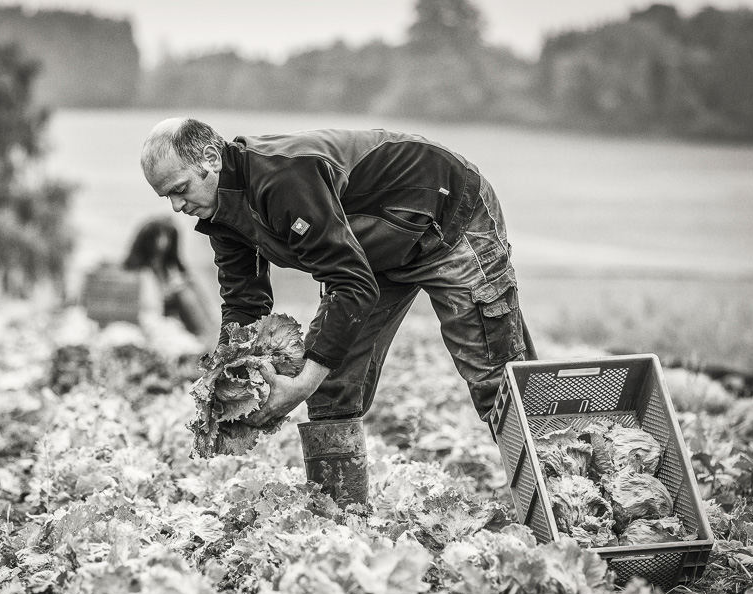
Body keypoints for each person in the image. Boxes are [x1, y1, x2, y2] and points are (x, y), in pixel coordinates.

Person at [140, 117, 537, 505]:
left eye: (180, 189)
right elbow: (245, 302)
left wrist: (297, 386)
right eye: (167, 197)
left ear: (210, 157)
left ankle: (561, 500)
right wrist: (230, 376)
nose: (176, 206)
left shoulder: (282, 179)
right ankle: (339, 519)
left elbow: (351, 285)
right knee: (332, 388)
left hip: (446, 218)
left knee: (495, 374)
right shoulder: (222, 216)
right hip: (371, 255)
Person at [122, 214, 213, 338]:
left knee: (189, 288)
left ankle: (208, 329)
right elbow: (149, 300)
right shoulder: (142, 270)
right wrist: (171, 290)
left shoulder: (169, 265)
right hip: (152, 315)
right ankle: (206, 332)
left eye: (168, 236)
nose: (164, 241)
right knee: (185, 294)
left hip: (173, 313)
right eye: (160, 235)